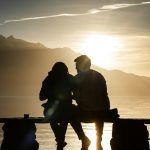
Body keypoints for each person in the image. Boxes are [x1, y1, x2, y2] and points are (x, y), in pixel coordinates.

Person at [39, 62, 90, 150]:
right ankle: (80, 138)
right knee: (68, 116)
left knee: (57, 116)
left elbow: (41, 97)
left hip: (54, 110)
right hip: (65, 110)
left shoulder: (49, 79)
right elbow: (78, 94)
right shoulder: (68, 78)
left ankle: (60, 140)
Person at [73, 55, 110, 150]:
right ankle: (99, 141)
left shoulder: (77, 78)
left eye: (77, 65)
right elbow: (103, 96)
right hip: (103, 113)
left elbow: (79, 99)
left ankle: (83, 138)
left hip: (88, 113)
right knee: (99, 109)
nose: (75, 67)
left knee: (70, 112)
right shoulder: (99, 76)